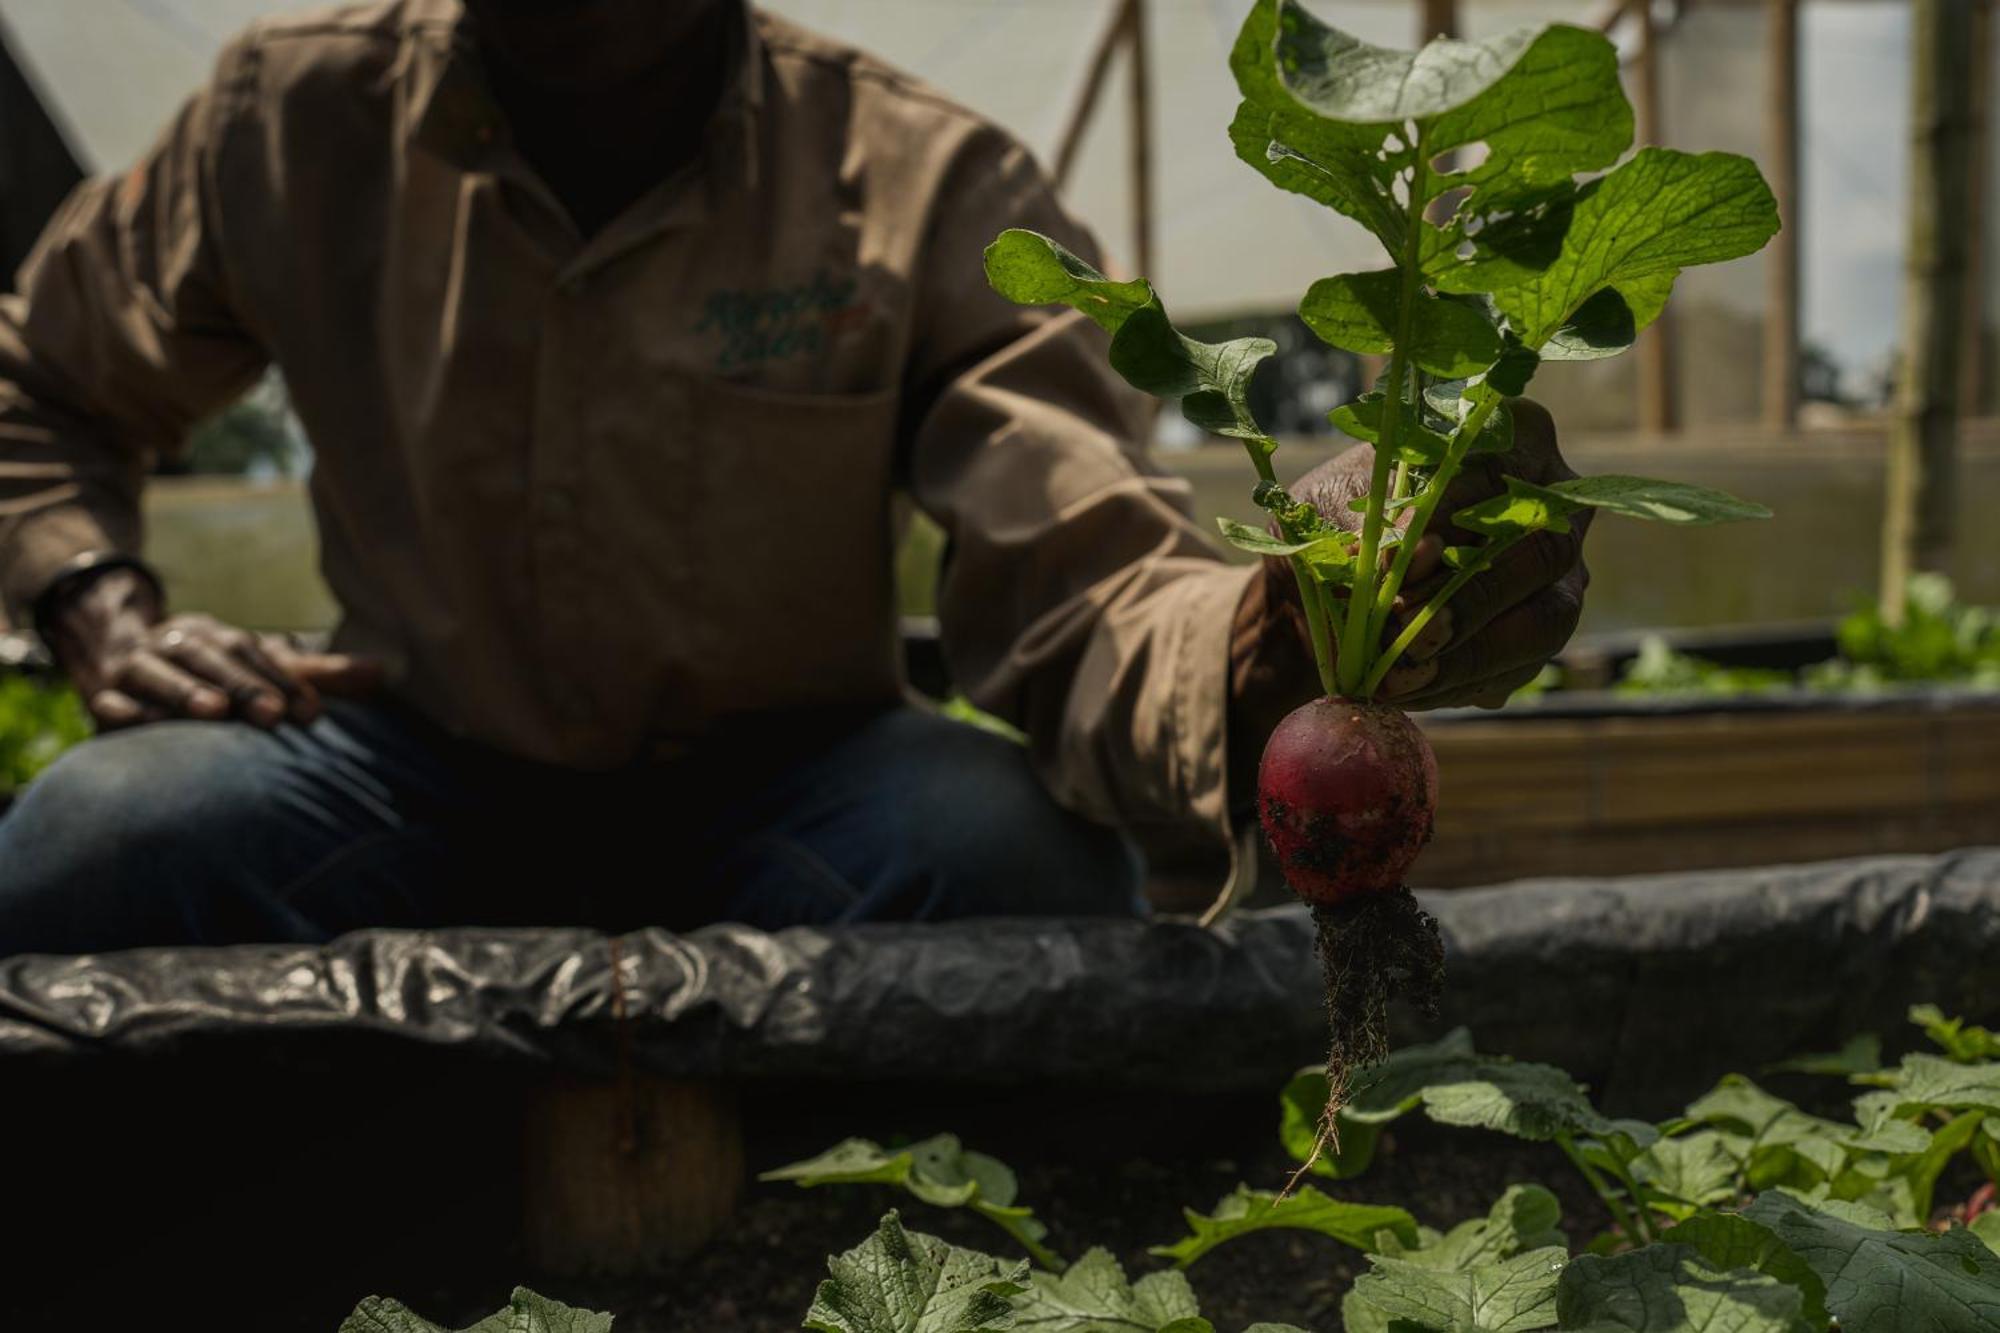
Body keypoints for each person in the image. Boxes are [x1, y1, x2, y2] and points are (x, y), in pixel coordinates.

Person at [0, 0, 1587, 955]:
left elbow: (1082, 576)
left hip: (794, 795)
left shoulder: (918, 183)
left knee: (1013, 866)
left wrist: (1278, 634)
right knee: (105, 834)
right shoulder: (293, 124)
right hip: (410, 772)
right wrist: (92, 595)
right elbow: (41, 376)